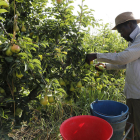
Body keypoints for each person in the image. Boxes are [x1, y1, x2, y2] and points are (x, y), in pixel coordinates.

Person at [85, 12, 140, 140]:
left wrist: (96, 55)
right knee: (131, 127)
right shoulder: (133, 42)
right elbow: (127, 63)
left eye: (121, 31)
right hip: (132, 93)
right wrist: (106, 66)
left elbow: (123, 57)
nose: (121, 35)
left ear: (130, 25)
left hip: (139, 95)